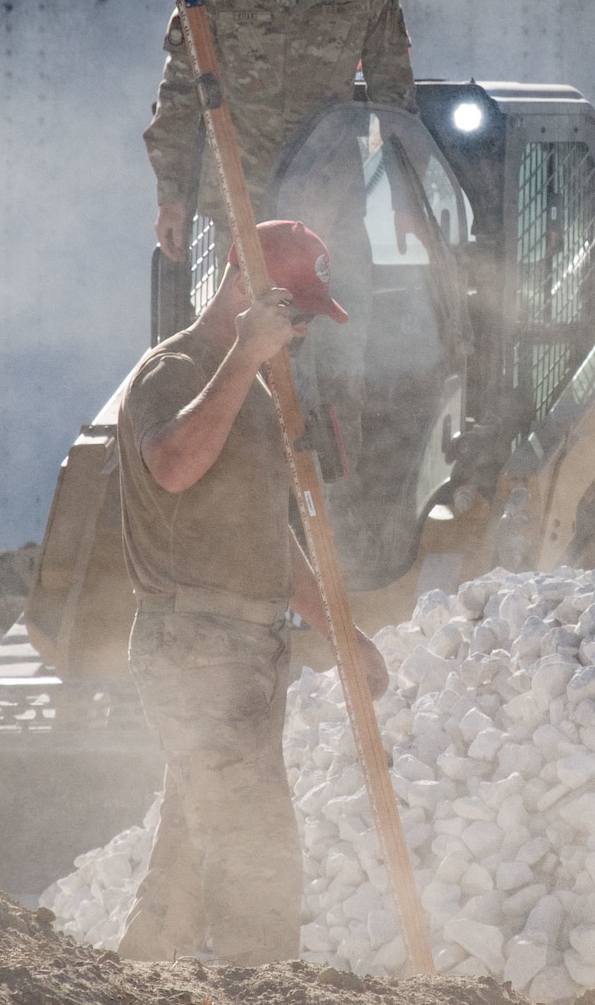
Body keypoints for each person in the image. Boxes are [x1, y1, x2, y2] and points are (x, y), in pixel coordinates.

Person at [114, 219, 390, 964]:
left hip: (245, 653)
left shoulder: (257, 393)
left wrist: (338, 631)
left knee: (185, 871)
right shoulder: (176, 370)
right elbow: (172, 463)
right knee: (257, 855)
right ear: (245, 290)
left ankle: (129, 978)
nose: (298, 334)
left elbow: (271, 533)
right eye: (292, 315)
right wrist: (244, 355)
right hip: (196, 646)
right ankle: (265, 982)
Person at [144, 0, 417, 259]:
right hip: (243, 203)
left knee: (348, 321)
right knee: (245, 323)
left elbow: (394, 99)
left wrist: (405, 197)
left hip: (332, 204)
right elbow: (180, 98)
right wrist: (172, 197)